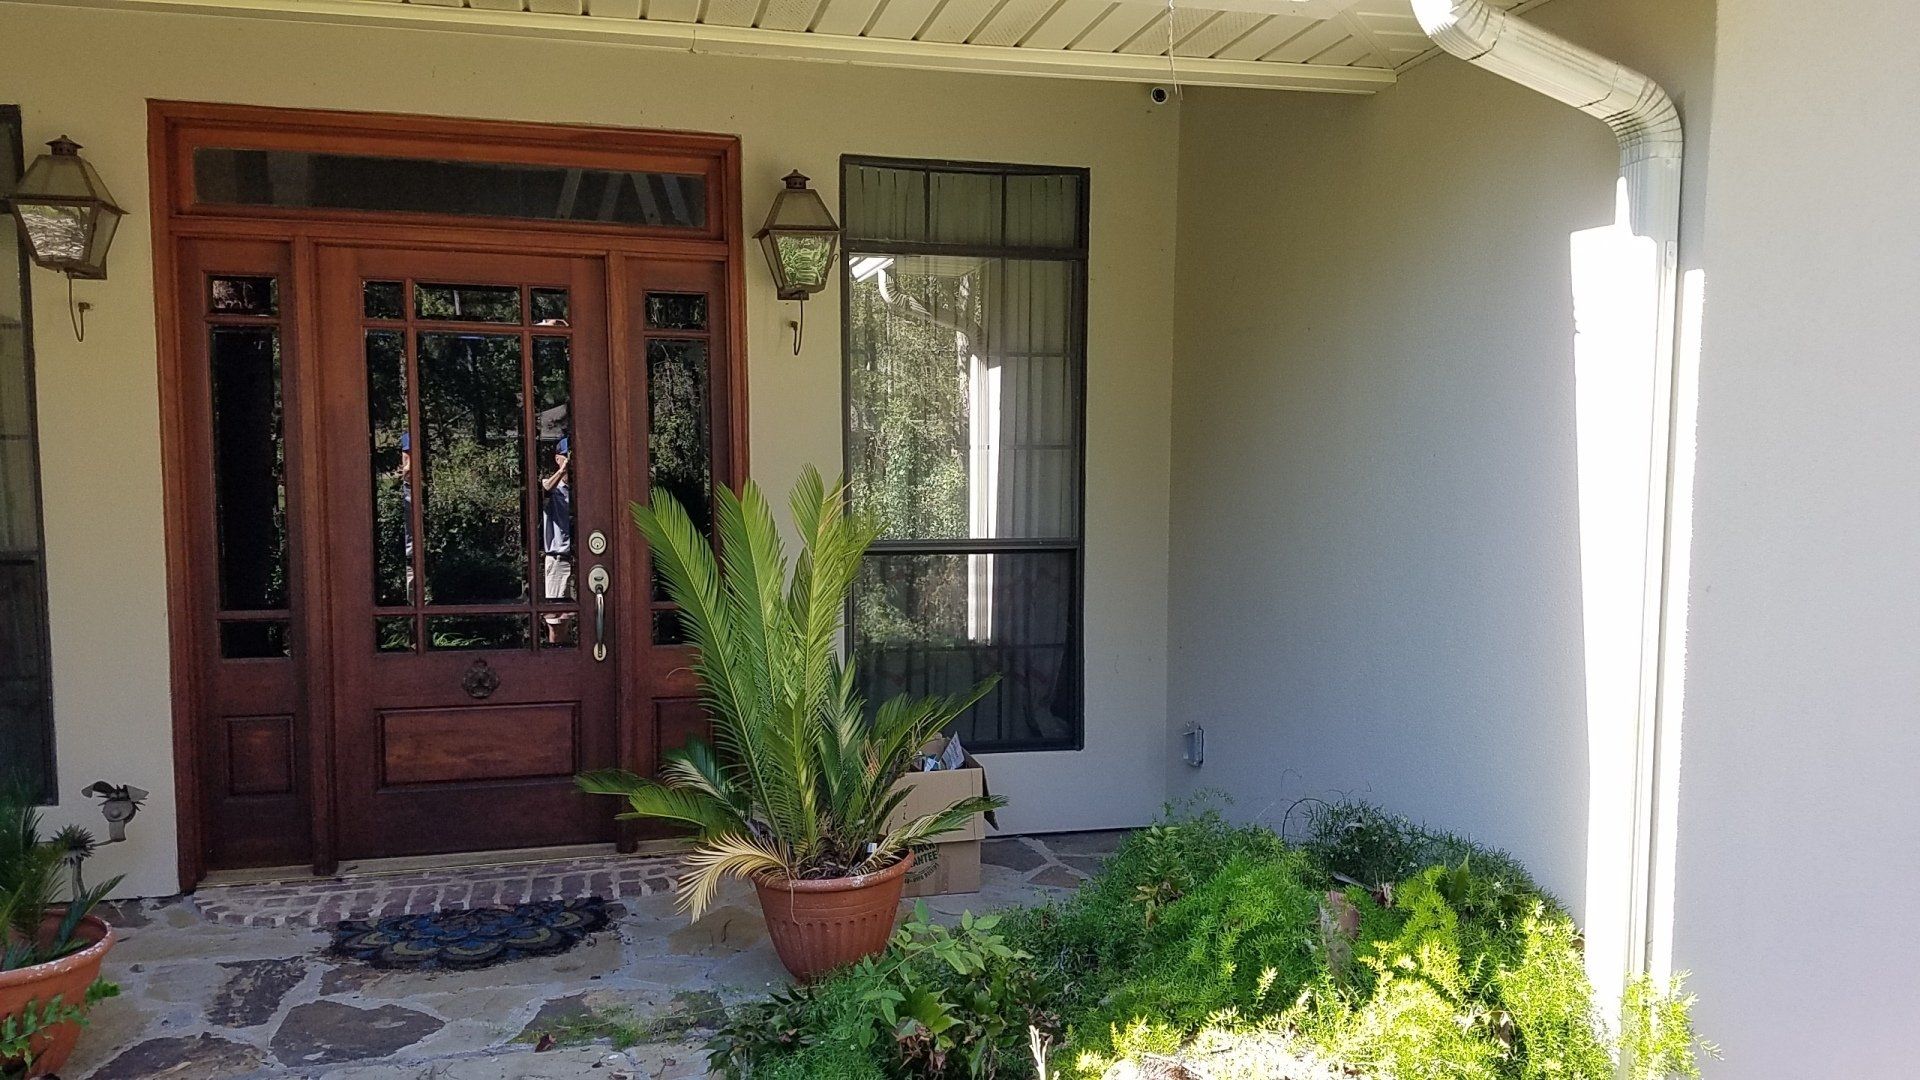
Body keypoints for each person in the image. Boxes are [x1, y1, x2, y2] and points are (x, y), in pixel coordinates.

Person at [541, 437, 574, 644]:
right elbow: (543, 491)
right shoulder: (551, 487)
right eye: (568, 455)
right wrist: (563, 471)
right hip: (558, 558)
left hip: (582, 559)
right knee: (556, 617)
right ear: (558, 458)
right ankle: (557, 656)